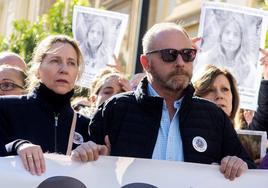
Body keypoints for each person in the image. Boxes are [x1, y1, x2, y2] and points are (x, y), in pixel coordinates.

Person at [72, 22, 255, 181]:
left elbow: (250, 174)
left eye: (187, 54)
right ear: (146, 63)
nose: (180, 62)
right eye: (169, 54)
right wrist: (88, 154)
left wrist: (239, 165)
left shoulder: (213, 116)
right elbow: (84, 169)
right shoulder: (115, 109)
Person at [0, 35, 90, 175]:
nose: (64, 69)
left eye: (71, 63)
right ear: (37, 69)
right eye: (55, 60)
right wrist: (16, 146)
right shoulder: (5, 108)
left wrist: (95, 154)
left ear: (77, 73)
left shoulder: (86, 126)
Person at [194, 16, 257, 88]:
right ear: (221, 35)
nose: (230, 38)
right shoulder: (205, 58)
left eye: (236, 34)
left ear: (242, 40)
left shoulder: (249, 68)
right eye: (227, 32)